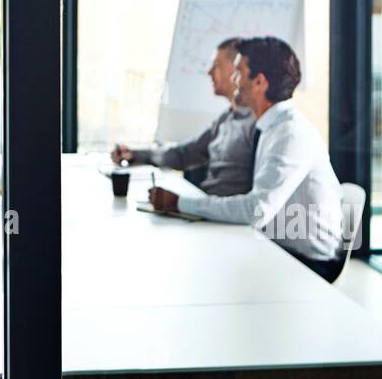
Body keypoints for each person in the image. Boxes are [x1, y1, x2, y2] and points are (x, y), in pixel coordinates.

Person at [148, 36, 344, 281]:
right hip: (277, 244)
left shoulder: (289, 133)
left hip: (307, 261)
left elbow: (256, 210)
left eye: (239, 73)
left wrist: (179, 204)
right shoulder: (272, 126)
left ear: (259, 82)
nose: (233, 80)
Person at [110, 37, 255, 196]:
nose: (209, 73)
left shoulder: (257, 126)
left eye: (216, 66)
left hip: (221, 215)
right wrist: (136, 154)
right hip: (205, 206)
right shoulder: (225, 120)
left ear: (237, 70)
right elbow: (183, 154)